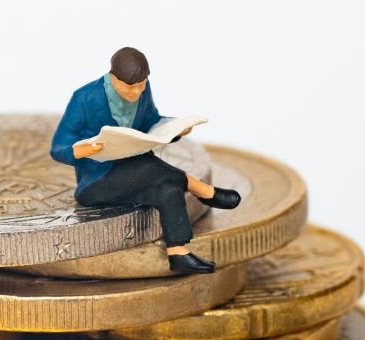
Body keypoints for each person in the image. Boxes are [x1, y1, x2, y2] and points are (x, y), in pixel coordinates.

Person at [50, 47, 241, 274]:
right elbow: (58, 147)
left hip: (135, 173)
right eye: (130, 86)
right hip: (97, 182)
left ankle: (177, 252)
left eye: (142, 84)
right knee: (148, 166)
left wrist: (175, 128)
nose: (137, 91)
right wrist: (81, 151)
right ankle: (204, 191)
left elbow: (151, 121)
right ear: (113, 78)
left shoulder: (143, 89)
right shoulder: (85, 97)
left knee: (168, 189)